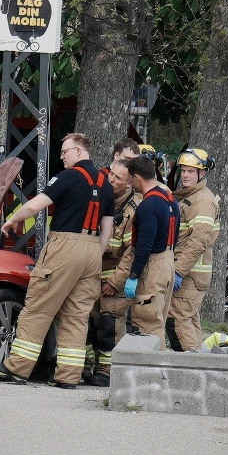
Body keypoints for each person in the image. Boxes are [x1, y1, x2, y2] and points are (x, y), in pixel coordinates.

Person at [0, 133, 114, 387]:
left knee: (39, 306)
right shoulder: (105, 182)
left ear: (78, 151)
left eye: (65, 151)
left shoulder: (67, 177)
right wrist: (95, 252)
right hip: (92, 250)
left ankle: (17, 368)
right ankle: (68, 376)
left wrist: (13, 220)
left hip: (65, 246)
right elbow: (107, 225)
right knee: (77, 315)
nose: (61, 156)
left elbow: (36, 206)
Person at [102, 156, 180, 345]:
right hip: (168, 259)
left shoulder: (148, 205)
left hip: (153, 265)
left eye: (130, 179)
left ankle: (152, 372)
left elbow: (143, 245)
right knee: (157, 319)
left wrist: (134, 275)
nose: (130, 184)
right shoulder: (170, 199)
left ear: (137, 178)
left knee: (147, 324)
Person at [86, 158, 141, 385]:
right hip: (93, 273)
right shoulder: (102, 199)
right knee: (89, 323)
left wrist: (117, 282)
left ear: (129, 183)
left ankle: (108, 371)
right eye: (110, 174)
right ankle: (87, 366)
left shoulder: (133, 210)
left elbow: (131, 252)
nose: (111, 180)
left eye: (117, 178)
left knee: (111, 326)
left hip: (114, 278)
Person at [167, 148, 220, 351]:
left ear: (202, 173)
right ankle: (197, 367)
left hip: (189, 274)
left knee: (178, 321)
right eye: (184, 170)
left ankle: (189, 371)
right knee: (188, 321)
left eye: (191, 171)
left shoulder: (202, 201)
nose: (186, 175)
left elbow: (198, 241)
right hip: (190, 273)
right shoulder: (192, 197)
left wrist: (179, 271)